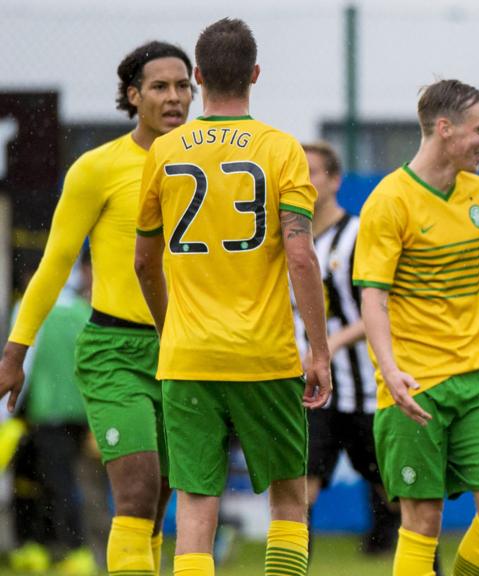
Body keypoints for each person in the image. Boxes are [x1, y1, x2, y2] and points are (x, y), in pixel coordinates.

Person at [134, 18, 331, 576]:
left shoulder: (165, 152)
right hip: (262, 356)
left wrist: (170, 327)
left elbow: (144, 261)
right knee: (290, 498)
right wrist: (318, 351)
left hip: (189, 356)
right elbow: (300, 257)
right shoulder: (281, 150)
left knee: (197, 502)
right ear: (255, 74)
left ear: (195, 78)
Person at [0, 40, 195, 576]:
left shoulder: (213, 166)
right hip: (116, 349)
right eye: (159, 86)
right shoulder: (97, 168)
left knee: (158, 501)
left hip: (189, 351)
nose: (174, 97)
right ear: (132, 96)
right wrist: (15, 353)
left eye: (183, 86)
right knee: (134, 492)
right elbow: (54, 265)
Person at [353, 78, 479, 576]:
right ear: (444, 128)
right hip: (416, 385)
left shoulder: (478, 191)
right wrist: (390, 371)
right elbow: (372, 298)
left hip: (477, 376)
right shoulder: (389, 202)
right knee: (423, 520)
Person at [295, 141, 402, 556]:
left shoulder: (358, 235)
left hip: (363, 389)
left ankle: (427, 563)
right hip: (311, 391)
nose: (303, 182)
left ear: (335, 180)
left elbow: (382, 307)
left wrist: (335, 340)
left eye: (312, 172)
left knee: (395, 492)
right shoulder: (287, 239)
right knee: (300, 492)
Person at [9, 254, 98, 576]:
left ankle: (60, 550)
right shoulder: (81, 311)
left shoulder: (30, 310)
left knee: (35, 483)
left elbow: (21, 366)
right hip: (77, 412)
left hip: (41, 414)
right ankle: (63, 550)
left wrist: (7, 415)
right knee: (63, 482)